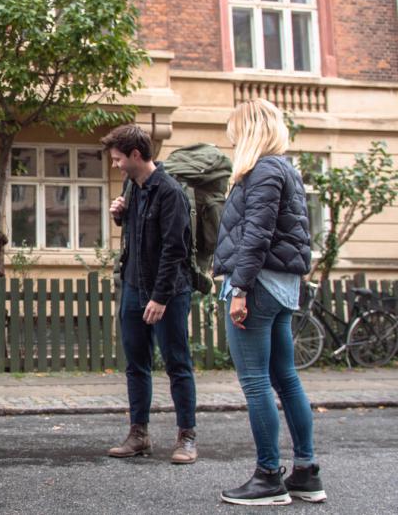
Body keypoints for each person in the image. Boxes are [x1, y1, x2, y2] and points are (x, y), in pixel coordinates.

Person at [214, 99, 325, 506]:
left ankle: (267, 477)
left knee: (257, 382)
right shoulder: (287, 169)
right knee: (286, 378)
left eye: (234, 132)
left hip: (256, 284)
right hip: (281, 286)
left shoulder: (261, 171)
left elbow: (256, 235)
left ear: (248, 131)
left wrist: (239, 289)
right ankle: (306, 473)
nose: (231, 140)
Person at [101, 124, 198, 464]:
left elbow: (175, 250)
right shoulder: (133, 186)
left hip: (167, 292)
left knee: (177, 364)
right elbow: (138, 236)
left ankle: (187, 437)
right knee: (136, 364)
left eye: (118, 159)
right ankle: (138, 434)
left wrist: (159, 297)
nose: (115, 165)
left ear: (136, 155)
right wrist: (120, 216)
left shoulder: (170, 192)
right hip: (132, 286)